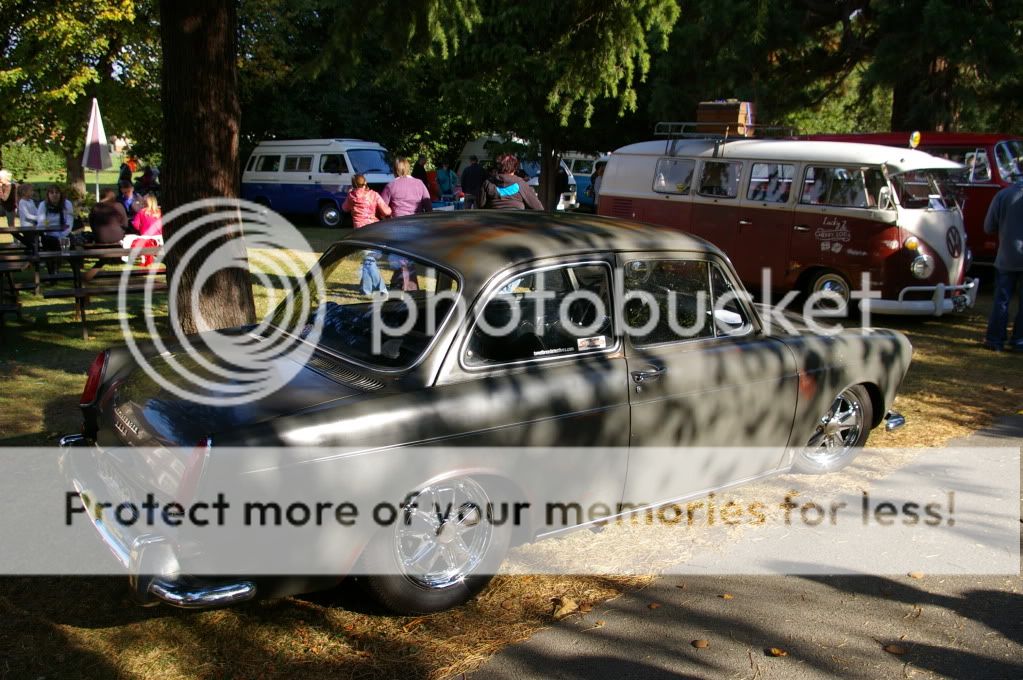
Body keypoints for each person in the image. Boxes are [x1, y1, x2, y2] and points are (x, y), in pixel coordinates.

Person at [983, 182, 1023, 351]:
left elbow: (988, 227)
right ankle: (1019, 340)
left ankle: (995, 340)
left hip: (1006, 256)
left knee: (1002, 300)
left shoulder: (1003, 195)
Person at [83, 188, 130, 282]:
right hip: (117, 238)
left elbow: (91, 224)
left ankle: (111, 260)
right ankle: (114, 259)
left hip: (100, 238)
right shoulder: (119, 206)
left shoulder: (95, 207)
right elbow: (125, 224)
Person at [477, 154, 544, 210]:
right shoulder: (521, 184)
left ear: (498, 167)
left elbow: (480, 205)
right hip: (516, 222)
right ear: (515, 168)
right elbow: (538, 207)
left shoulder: (488, 183)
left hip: (492, 222)